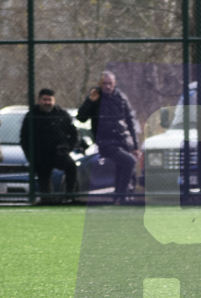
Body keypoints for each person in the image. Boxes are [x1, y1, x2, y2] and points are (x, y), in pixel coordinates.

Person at [77, 71, 139, 203]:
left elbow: (130, 122)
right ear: (99, 84)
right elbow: (81, 118)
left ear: (115, 83)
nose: (107, 86)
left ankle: (119, 198)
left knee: (123, 168)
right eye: (104, 83)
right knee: (130, 162)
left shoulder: (121, 97)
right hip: (106, 142)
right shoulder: (95, 98)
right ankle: (122, 197)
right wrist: (90, 101)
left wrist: (135, 146)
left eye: (110, 83)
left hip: (123, 140)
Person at [20, 88, 79, 202]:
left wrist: (68, 148)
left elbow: (74, 133)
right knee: (44, 183)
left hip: (59, 153)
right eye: (44, 100)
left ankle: (69, 196)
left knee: (71, 167)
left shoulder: (62, 114)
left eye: (49, 100)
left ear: (54, 100)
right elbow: (24, 138)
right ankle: (47, 201)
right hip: (41, 155)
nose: (47, 102)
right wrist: (31, 156)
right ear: (39, 100)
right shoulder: (31, 115)